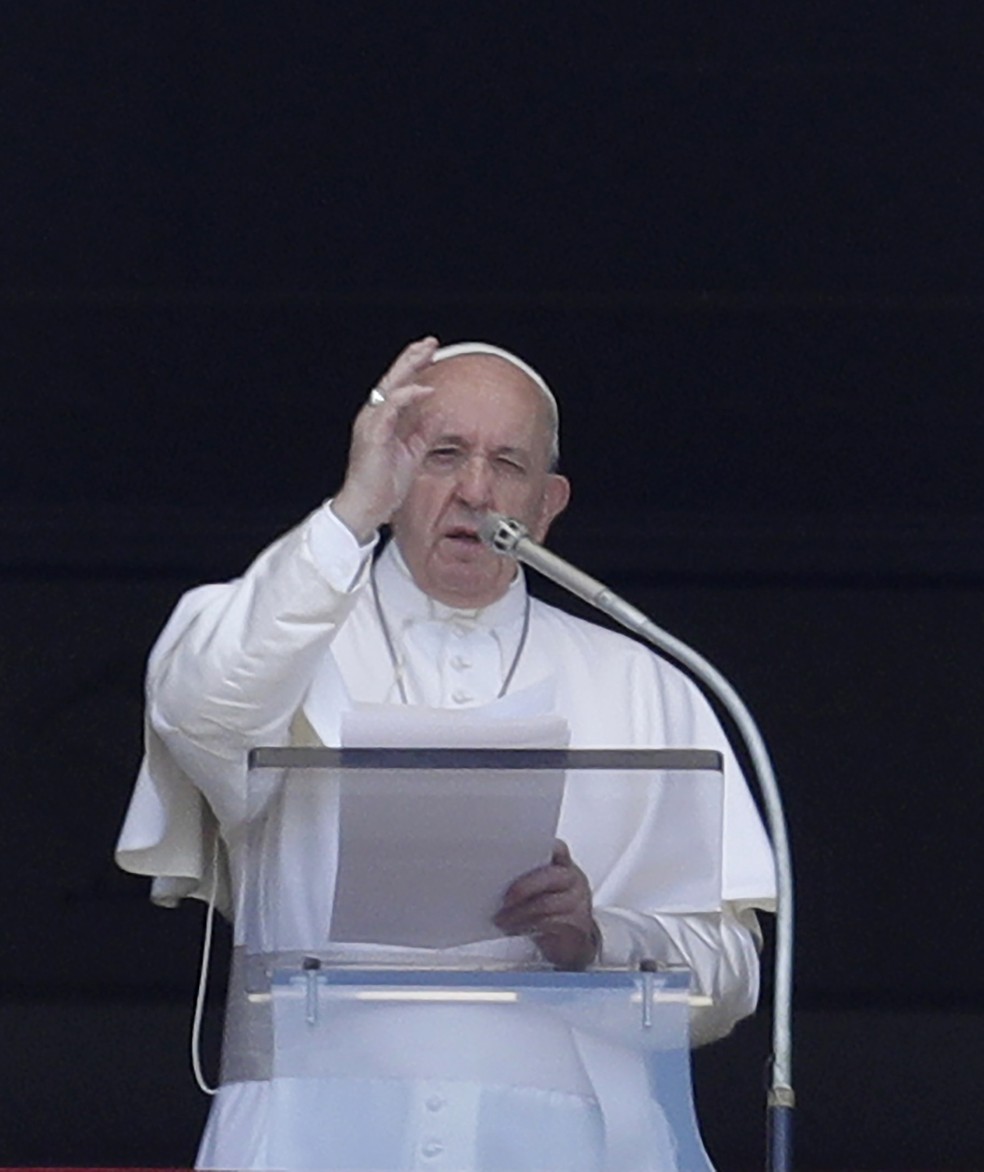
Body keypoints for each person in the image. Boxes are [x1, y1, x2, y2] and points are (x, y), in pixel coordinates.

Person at [116, 336, 776, 1171]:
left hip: (569, 1148)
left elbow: (732, 974)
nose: (474, 490)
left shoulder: (648, 682)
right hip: (308, 1137)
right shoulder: (269, 634)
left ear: (547, 503)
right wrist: (349, 512)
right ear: (389, 474)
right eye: (442, 455)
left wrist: (600, 939)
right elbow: (202, 708)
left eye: (507, 463)